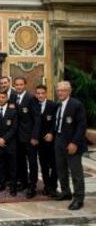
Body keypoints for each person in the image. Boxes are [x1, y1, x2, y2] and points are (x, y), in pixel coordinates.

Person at [54, 81, 87, 210]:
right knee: (61, 169)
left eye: (62, 90)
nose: (60, 92)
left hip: (72, 143)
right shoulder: (58, 105)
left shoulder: (76, 105)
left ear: (69, 91)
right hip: (59, 140)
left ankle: (79, 198)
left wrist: (74, 143)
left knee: (76, 172)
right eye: (58, 90)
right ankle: (65, 192)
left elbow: (82, 125)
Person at [13, 76, 41, 198]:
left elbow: (37, 118)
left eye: (21, 84)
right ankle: (24, 182)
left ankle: (32, 186)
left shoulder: (31, 98)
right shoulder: (13, 97)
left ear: (25, 85)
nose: (18, 87)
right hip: (17, 137)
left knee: (32, 162)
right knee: (20, 162)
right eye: (17, 85)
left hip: (30, 138)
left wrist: (35, 136)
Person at [0, 91, 18, 196]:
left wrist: (4, 139)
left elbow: (14, 127)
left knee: (12, 166)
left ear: (7, 99)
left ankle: (13, 186)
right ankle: (0, 184)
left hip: (10, 143)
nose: (1, 99)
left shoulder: (13, 111)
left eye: (3, 97)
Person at [35, 84, 58, 197]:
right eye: (38, 93)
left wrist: (51, 133)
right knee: (43, 165)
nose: (40, 95)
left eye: (42, 93)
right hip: (39, 141)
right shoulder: (34, 105)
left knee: (54, 165)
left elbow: (56, 121)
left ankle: (53, 186)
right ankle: (47, 186)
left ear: (46, 93)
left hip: (51, 140)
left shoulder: (53, 105)